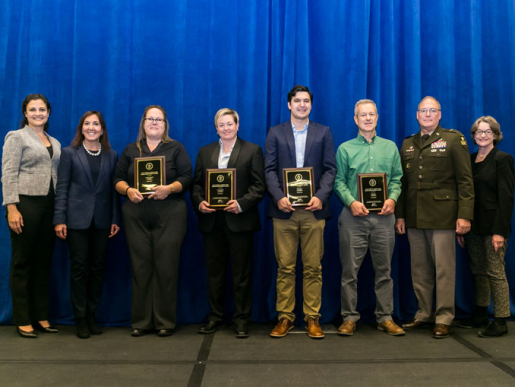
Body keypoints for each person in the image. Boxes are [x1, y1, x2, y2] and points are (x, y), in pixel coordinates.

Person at [395, 96, 474, 339]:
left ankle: (444, 317)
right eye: (423, 111)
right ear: (417, 115)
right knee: (419, 270)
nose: (427, 115)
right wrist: (401, 216)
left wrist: (464, 216)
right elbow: (403, 184)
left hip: (443, 217)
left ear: (439, 115)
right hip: (415, 217)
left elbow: (465, 180)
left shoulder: (452, 139)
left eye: (432, 110)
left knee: (443, 270)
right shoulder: (408, 143)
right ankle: (424, 313)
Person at [114, 105, 192, 338]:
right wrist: (127, 190)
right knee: (140, 267)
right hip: (136, 214)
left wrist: (169, 188)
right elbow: (117, 179)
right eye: (150, 119)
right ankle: (141, 321)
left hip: (170, 213)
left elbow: (187, 177)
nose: (155, 122)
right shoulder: (130, 150)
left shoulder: (176, 148)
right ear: (143, 122)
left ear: (166, 124)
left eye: (159, 119)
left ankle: (165, 321)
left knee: (166, 267)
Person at [265, 85, 336, 339]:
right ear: (289, 104)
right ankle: (285, 317)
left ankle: (312, 317)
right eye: (297, 101)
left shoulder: (324, 132)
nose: (302, 105)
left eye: (306, 101)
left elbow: (330, 169)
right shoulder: (275, 132)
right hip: (283, 211)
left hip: (313, 211)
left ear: (311, 105)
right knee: (284, 267)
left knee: (313, 267)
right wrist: (279, 197)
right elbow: (269, 170)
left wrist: (320, 196)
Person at [191, 108, 265, 338]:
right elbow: (196, 185)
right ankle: (215, 317)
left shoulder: (252, 150)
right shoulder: (205, 152)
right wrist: (201, 202)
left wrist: (241, 203)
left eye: (229, 124)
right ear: (216, 128)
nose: (226, 128)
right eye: (221, 125)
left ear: (237, 125)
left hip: (240, 221)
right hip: (212, 222)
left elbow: (259, 186)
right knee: (214, 274)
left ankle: (242, 320)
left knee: (241, 274)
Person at [334, 99, 404, 337]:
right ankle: (349, 317)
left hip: (384, 219)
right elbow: (338, 182)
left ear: (377, 118)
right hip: (353, 218)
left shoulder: (390, 147)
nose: (367, 118)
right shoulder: (345, 148)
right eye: (362, 115)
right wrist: (351, 202)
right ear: (355, 119)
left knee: (384, 271)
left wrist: (392, 199)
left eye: (371, 114)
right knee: (349, 272)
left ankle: (385, 317)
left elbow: (396, 179)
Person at [54, 111, 121, 339]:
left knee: (98, 269)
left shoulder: (112, 155)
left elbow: (113, 192)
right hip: (75, 221)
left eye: (96, 124)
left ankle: (92, 314)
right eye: (87, 124)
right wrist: (59, 219)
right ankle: (80, 318)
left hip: (102, 221)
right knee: (79, 269)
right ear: (81, 128)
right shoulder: (69, 153)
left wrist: (115, 218)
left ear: (102, 129)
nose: (91, 127)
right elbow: (61, 188)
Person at [1, 94, 61, 338]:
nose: (38, 113)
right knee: (23, 262)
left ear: (48, 113)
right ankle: (23, 318)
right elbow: (8, 173)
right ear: (25, 113)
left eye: (42, 109)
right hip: (25, 204)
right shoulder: (16, 137)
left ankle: (41, 315)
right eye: (33, 109)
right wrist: (11, 207)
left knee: (43, 263)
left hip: (50, 205)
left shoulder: (53, 141)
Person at [456, 116, 514, 337]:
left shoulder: (503, 159)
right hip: (472, 226)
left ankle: (500, 320)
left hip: (493, 227)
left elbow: (506, 198)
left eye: (487, 132)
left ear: (496, 135)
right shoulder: (470, 160)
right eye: (478, 132)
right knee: (478, 271)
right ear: (473, 136)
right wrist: (463, 224)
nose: (482, 135)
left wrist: (500, 231)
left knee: (496, 272)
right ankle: (480, 314)